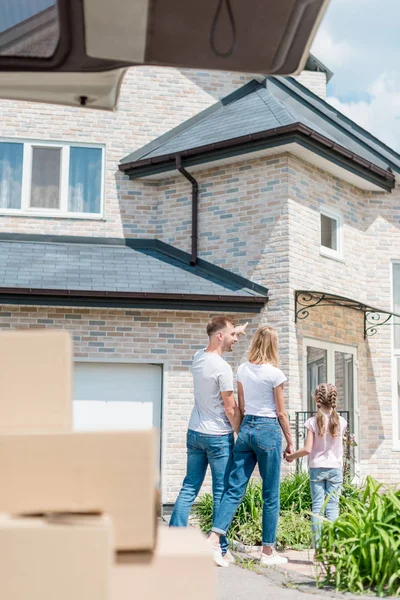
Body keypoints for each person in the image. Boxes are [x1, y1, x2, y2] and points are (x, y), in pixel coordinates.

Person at [208, 326, 293, 566]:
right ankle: (267, 552)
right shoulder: (276, 374)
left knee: (234, 489)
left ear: (255, 342)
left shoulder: (243, 370)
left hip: (246, 430)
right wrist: (290, 440)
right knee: (271, 494)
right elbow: (281, 412)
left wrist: (244, 432)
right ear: (273, 345)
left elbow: (242, 407)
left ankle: (214, 538)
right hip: (268, 431)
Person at [169, 316, 246, 567]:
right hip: (217, 436)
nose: (236, 339)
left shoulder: (197, 357)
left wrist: (236, 328)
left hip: (194, 433)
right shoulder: (222, 368)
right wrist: (239, 433)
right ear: (220, 336)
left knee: (189, 486)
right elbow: (230, 407)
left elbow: (218, 334)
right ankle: (220, 547)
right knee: (221, 490)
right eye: (233, 335)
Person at [285, 383, 347, 546]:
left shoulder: (312, 422)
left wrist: (291, 456)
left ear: (317, 399)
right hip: (335, 469)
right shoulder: (342, 421)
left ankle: (318, 549)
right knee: (333, 508)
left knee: (317, 508)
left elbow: (307, 449)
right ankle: (335, 547)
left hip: (317, 469)